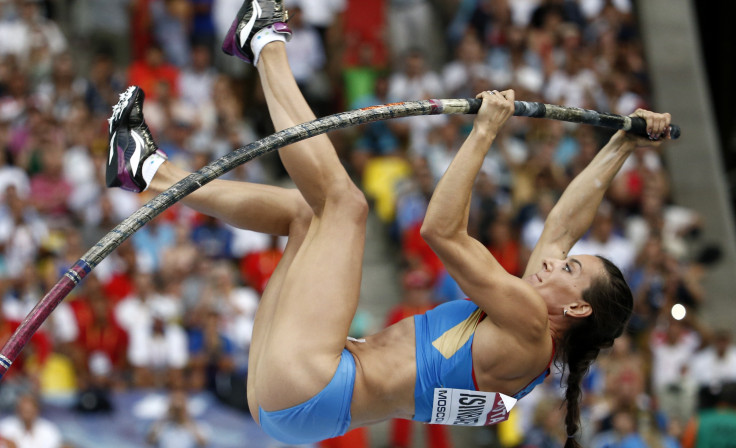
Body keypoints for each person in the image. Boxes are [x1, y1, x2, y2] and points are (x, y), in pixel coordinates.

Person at [104, 1, 672, 444]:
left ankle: (263, 40)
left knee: (346, 207)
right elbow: (563, 222)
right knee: (305, 215)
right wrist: (622, 142)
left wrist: (484, 131)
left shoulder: (528, 324)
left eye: (569, 267)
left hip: (314, 385)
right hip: (293, 401)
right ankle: (149, 169)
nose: (552, 258)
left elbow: (440, 231)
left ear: (575, 308)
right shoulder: (529, 332)